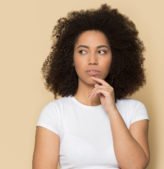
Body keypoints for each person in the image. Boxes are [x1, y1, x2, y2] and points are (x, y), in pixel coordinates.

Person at [32, 4, 150, 169]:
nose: (92, 60)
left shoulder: (134, 110)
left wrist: (112, 110)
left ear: (115, 58)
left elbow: (135, 166)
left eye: (101, 51)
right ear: (71, 59)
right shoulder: (55, 113)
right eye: (82, 51)